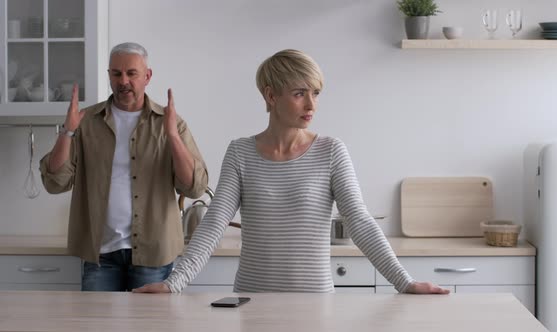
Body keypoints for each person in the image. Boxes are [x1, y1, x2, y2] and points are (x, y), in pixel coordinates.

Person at [134, 49, 448, 294]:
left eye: (316, 93)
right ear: (271, 96)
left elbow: (359, 221)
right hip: (252, 302)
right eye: (300, 93)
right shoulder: (241, 152)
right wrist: (174, 283)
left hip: (315, 303)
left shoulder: (331, 151)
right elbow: (214, 223)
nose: (311, 104)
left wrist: (404, 282)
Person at [39, 42, 208, 291]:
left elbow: (195, 186)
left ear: (147, 76)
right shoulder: (86, 122)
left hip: (153, 253)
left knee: (148, 328)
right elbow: (54, 181)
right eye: (116, 73)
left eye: (132, 73)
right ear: (109, 75)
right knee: (98, 327)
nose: (123, 81)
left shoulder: (169, 122)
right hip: (100, 254)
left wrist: (172, 135)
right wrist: (68, 131)